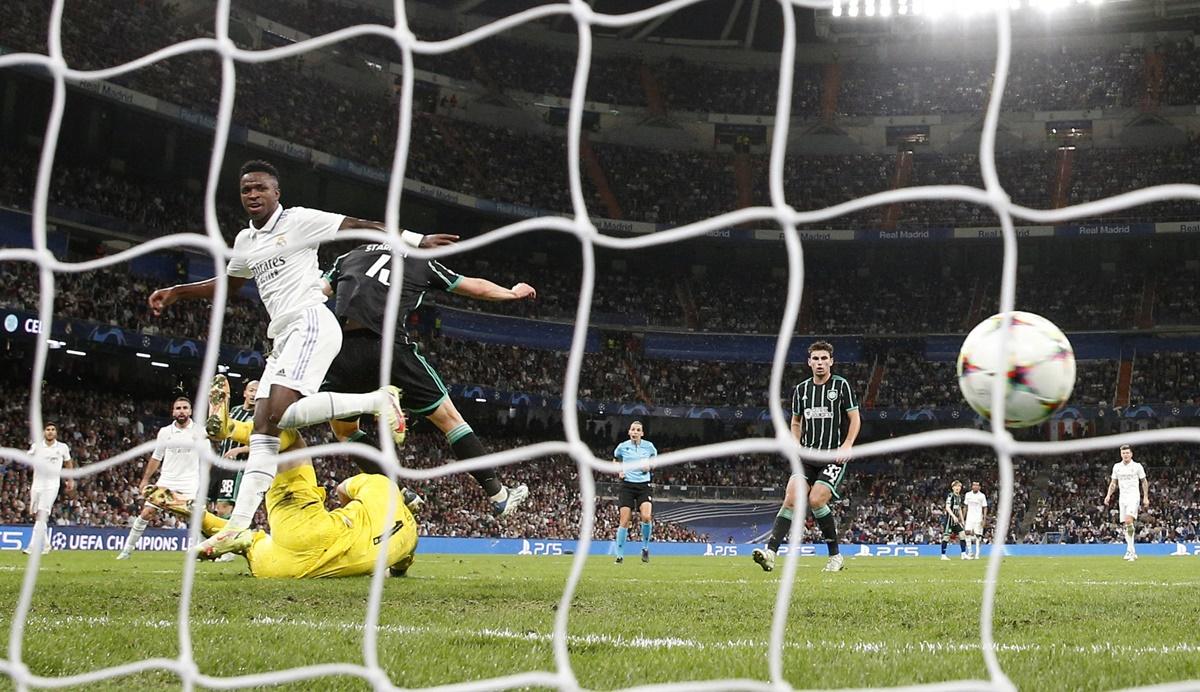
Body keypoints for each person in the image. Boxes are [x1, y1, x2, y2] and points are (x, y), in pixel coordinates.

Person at [147, 159, 456, 559]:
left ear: (277, 193)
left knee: (277, 417)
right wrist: (178, 291)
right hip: (283, 336)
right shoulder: (246, 240)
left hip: (311, 322)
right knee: (263, 432)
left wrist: (416, 238)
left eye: (260, 188)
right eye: (246, 190)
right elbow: (232, 284)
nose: (253, 195)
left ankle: (376, 401)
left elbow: (360, 224)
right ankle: (237, 529)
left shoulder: (299, 221)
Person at [209, 241, 536, 518]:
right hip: (389, 348)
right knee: (449, 419)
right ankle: (498, 496)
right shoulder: (420, 262)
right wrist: (511, 292)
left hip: (341, 350)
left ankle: (399, 489)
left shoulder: (348, 258)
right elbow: (474, 287)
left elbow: (314, 296)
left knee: (344, 430)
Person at [145, 437, 417, 578]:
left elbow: (342, 490)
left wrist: (348, 511)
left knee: (291, 438)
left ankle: (230, 429)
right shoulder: (411, 537)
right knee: (252, 542)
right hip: (285, 569)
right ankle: (226, 531)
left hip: (314, 530)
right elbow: (401, 568)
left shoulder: (382, 485)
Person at [753, 341, 860, 573]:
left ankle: (835, 557)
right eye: (816, 359)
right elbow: (795, 422)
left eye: (824, 358)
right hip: (807, 456)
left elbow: (855, 418)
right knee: (791, 498)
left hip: (833, 456)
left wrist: (848, 444)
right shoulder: (801, 390)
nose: (820, 363)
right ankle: (770, 553)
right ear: (809, 362)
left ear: (831, 361)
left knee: (816, 500)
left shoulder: (841, 386)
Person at [118, 397, 202, 560]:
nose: (182, 411)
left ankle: (202, 551)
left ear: (190, 411)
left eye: (185, 408)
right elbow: (157, 457)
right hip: (166, 480)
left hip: (190, 482)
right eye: (178, 408)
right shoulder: (164, 432)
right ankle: (127, 550)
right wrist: (145, 480)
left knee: (196, 516)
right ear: (173, 412)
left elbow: (206, 458)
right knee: (147, 512)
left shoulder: (199, 431)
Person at [210, 379, 258, 519]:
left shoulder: (258, 416)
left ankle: (224, 537)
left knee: (224, 506)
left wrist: (237, 450)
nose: (254, 394)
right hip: (219, 462)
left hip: (235, 467)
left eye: (257, 391)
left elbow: (260, 442)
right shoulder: (234, 410)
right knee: (207, 503)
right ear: (245, 393)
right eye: (251, 390)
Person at [24, 422, 73, 555]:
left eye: (53, 429)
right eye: (48, 429)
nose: (50, 432)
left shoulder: (62, 447)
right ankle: (46, 545)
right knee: (37, 516)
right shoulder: (37, 446)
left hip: (51, 485)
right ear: (44, 432)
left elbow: (68, 463)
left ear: (56, 432)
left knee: (41, 514)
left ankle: (32, 546)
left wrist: (70, 479)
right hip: (37, 484)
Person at [612, 421, 656, 564]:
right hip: (627, 486)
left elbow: (654, 462)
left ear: (642, 433)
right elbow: (615, 460)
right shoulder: (622, 447)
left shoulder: (649, 447)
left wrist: (648, 467)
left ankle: (645, 548)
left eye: (638, 430)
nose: (635, 432)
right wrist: (619, 471)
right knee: (624, 520)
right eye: (633, 430)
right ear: (629, 432)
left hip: (644, 486)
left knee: (646, 516)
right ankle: (619, 556)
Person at [1104, 444, 1148, 561]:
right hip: (1122, 498)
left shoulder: (1137, 466)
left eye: (1127, 453)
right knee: (1127, 524)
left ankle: (1130, 550)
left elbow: (1144, 482)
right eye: (1123, 453)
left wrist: (1146, 497)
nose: (1125, 455)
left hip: (1133, 496)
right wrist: (1108, 495)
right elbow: (1113, 483)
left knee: (1129, 520)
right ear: (1121, 454)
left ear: (1131, 454)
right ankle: (1131, 550)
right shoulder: (1117, 467)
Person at [940, 480, 968, 561]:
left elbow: (959, 509)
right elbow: (947, 507)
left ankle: (963, 554)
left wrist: (962, 520)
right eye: (956, 486)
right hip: (950, 520)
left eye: (959, 486)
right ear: (953, 488)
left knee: (962, 535)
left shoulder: (959, 497)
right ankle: (943, 555)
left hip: (956, 521)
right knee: (946, 537)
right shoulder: (950, 496)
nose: (958, 488)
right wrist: (953, 516)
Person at [963, 480, 988, 559]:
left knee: (978, 535)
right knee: (967, 533)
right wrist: (963, 517)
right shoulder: (968, 495)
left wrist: (984, 519)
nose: (975, 486)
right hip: (969, 517)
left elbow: (985, 508)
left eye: (977, 485)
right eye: (974, 485)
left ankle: (977, 553)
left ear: (979, 487)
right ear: (972, 486)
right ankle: (970, 552)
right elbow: (965, 506)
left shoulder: (982, 496)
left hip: (978, 518)